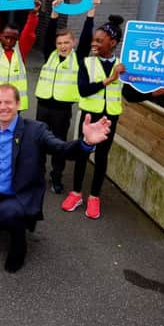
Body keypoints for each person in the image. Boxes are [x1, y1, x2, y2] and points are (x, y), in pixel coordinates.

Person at [0, 84, 112, 273]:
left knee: (8, 213)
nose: (3, 107)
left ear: (18, 104)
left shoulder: (36, 130)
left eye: (8, 102)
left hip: (17, 194)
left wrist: (85, 143)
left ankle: (18, 247)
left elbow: (61, 149)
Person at [62, 15, 127, 219]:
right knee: (82, 154)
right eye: (94, 40)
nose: (94, 43)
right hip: (90, 118)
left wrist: (156, 91)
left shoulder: (122, 65)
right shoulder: (87, 63)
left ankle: (94, 197)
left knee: (101, 158)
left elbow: (132, 94)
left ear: (113, 43)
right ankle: (76, 193)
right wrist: (110, 79)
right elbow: (83, 90)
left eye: (99, 41)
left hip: (110, 118)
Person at [35, 0, 99, 193]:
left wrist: (91, 12)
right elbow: (48, 35)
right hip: (43, 106)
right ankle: (38, 175)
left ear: (73, 43)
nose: (62, 46)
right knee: (39, 143)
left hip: (62, 110)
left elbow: (88, 37)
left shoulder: (78, 59)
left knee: (60, 145)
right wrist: (54, 13)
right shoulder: (50, 55)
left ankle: (56, 177)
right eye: (60, 43)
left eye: (66, 43)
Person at [0, 0, 41, 118]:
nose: (9, 41)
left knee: (11, 132)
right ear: (0, 36)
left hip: (13, 103)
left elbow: (28, 33)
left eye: (13, 38)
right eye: (6, 37)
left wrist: (33, 13)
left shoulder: (20, 50)